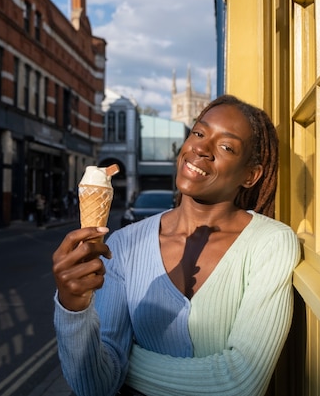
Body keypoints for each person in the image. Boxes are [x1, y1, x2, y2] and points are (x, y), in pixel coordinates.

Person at [52, 94, 301, 396]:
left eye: (226, 147)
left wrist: (123, 362)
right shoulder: (124, 243)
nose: (201, 148)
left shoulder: (270, 242)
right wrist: (73, 309)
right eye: (198, 132)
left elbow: (240, 383)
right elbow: (94, 387)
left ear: (251, 175)